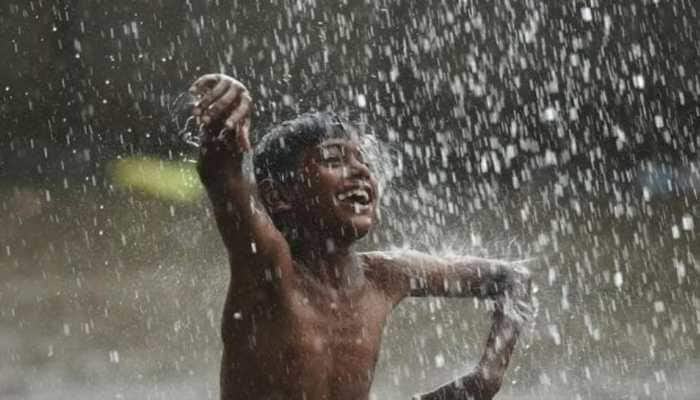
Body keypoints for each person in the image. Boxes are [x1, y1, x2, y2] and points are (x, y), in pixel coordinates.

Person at [189, 73, 533, 400]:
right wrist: (225, 117)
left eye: (363, 160)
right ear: (279, 196)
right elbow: (222, 175)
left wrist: (486, 378)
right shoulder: (269, 271)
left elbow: (511, 278)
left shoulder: (385, 276)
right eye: (334, 159)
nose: (361, 172)